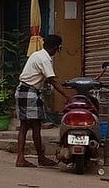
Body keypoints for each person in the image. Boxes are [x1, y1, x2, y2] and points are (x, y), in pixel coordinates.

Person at [15, 34, 70, 168]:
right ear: (56, 47)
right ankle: (25, 158)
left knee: (30, 126)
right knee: (31, 126)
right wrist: (68, 96)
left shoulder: (37, 54)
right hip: (29, 92)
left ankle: (35, 157)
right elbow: (52, 80)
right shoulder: (45, 58)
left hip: (26, 90)